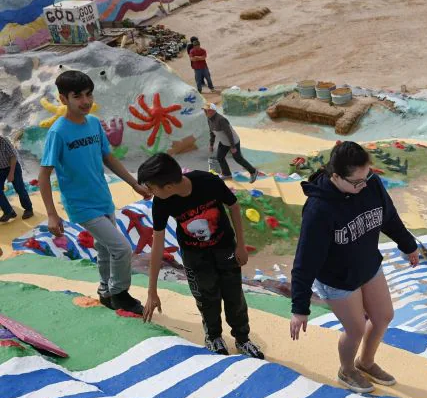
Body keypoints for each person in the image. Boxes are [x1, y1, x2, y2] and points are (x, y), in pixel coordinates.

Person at [289, 141, 420, 393]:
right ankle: (346, 369)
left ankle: (365, 362)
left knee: (383, 316)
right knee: (356, 328)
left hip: (368, 265)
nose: (363, 185)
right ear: (336, 176)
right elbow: (305, 260)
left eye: (366, 177)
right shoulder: (319, 209)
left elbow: (388, 217)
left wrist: (408, 245)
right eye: (356, 182)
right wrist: (299, 308)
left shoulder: (370, 184)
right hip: (337, 278)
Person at [39, 70, 146, 315]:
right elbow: (44, 175)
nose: (85, 101)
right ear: (63, 98)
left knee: (106, 249)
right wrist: (52, 214)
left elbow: (108, 157)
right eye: (78, 96)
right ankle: (120, 294)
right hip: (81, 205)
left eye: (88, 95)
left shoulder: (94, 123)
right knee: (121, 249)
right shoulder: (58, 132)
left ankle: (105, 291)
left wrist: (134, 184)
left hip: (102, 198)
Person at [138, 153, 263, 359]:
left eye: (151, 188)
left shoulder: (208, 181)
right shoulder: (161, 203)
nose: (149, 192)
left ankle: (243, 339)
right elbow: (157, 243)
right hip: (195, 256)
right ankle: (213, 336)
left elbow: (233, 206)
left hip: (225, 248)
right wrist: (152, 291)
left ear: (168, 187)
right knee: (206, 297)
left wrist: (240, 245)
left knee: (234, 296)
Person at [204, 104, 258, 183]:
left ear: (213, 111)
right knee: (220, 157)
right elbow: (212, 133)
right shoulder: (209, 119)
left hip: (233, 141)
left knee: (238, 159)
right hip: (223, 142)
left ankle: (253, 171)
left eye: (207, 110)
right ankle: (227, 174)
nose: (205, 112)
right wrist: (211, 144)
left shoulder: (221, 119)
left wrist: (233, 147)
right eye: (205, 110)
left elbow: (229, 133)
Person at [0, 132, 33, 223]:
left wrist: (11, 174)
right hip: (1, 169)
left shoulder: (4, 141)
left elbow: (13, 158)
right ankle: (9, 212)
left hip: (12, 166)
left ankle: (28, 209)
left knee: (19, 188)